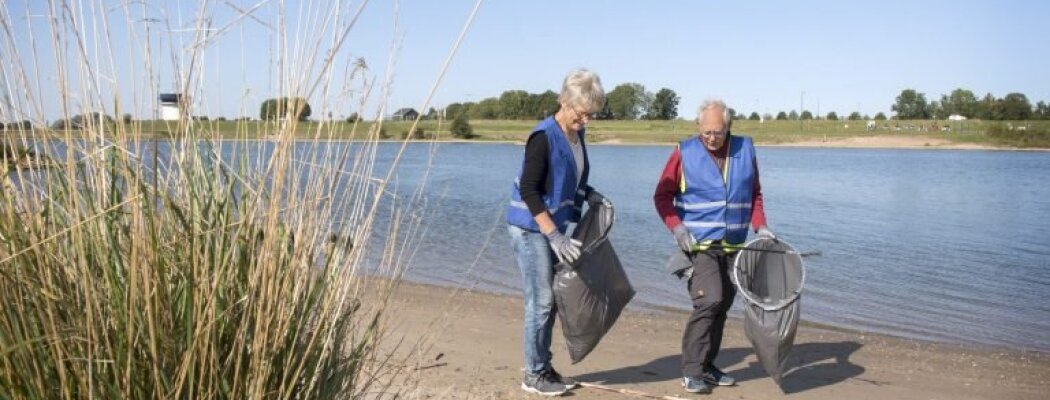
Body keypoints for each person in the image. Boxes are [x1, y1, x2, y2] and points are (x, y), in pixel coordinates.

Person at [653, 99, 775, 395]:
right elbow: (662, 197)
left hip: (735, 245)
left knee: (723, 304)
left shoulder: (746, 149)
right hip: (699, 246)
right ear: (699, 127)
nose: (711, 137)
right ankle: (691, 371)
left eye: (717, 132)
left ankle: (707, 365)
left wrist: (761, 226)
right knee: (709, 301)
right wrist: (677, 228)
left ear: (728, 127)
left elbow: (755, 193)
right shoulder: (684, 152)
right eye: (706, 131)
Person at [506, 69, 608, 396]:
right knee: (541, 302)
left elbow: (570, 177)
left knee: (549, 302)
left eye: (592, 114)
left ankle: (543, 366)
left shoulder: (577, 136)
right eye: (582, 113)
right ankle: (533, 375)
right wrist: (555, 236)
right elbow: (529, 190)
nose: (587, 120)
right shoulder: (543, 137)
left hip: (552, 228)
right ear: (563, 102)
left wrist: (589, 193)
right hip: (530, 228)